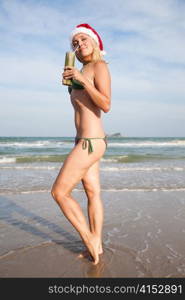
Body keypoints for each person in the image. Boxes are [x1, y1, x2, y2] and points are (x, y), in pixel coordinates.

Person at [51, 23, 111, 265]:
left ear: (94, 42)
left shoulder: (99, 66)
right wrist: (73, 81)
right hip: (84, 140)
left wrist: (83, 81)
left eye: (83, 40)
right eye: (74, 43)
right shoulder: (83, 69)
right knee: (92, 192)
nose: (79, 45)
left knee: (59, 192)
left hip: (91, 142)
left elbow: (105, 104)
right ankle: (97, 244)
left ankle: (89, 240)